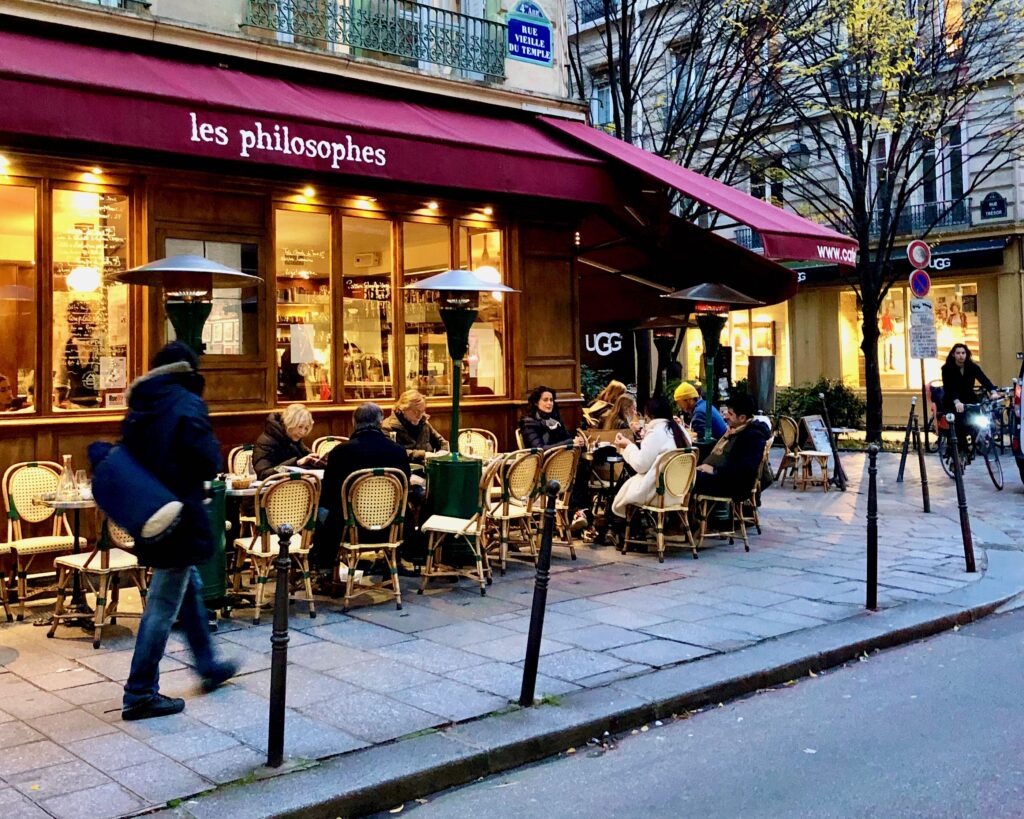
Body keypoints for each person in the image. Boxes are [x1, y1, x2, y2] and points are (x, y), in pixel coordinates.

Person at [120, 341, 236, 721]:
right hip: (180, 515)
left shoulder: (141, 405)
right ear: (188, 369)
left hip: (150, 511)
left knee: (189, 590)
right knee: (163, 604)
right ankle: (140, 692)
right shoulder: (186, 403)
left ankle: (208, 665)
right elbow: (208, 460)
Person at [311, 402, 414, 580]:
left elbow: (329, 493)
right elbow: (405, 487)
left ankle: (324, 566)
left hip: (348, 528)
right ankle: (393, 560)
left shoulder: (341, 452)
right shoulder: (398, 451)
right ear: (380, 422)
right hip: (390, 528)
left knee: (322, 510)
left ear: (354, 422)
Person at [609, 397, 691, 528]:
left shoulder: (656, 433)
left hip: (660, 492)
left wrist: (628, 446)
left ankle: (622, 527)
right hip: (680, 492)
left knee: (627, 481)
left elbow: (640, 465)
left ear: (649, 415)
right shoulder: (681, 431)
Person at [519, 386, 590, 530]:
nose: (549, 403)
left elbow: (566, 439)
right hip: (541, 468)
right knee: (578, 471)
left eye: (551, 400)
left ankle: (578, 513)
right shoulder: (529, 423)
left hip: (560, 466)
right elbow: (540, 449)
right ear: (536, 403)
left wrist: (577, 442)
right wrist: (570, 443)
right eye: (545, 400)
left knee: (583, 467)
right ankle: (576, 513)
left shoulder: (555, 421)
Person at [693, 393, 771, 501]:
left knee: (687, 479)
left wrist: (714, 470)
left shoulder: (753, 436)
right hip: (726, 478)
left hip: (733, 485)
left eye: (730, 414)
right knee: (688, 474)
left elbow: (743, 470)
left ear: (742, 417)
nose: (725, 417)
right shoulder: (739, 430)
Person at [940, 343, 998, 449]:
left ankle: (977, 440)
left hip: (969, 398)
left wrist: (992, 391)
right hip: (952, 400)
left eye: (963, 353)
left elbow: (983, 379)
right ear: (953, 354)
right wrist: (956, 401)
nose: (961, 355)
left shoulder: (972, 367)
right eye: (958, 353)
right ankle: (961, 449)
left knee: (977, 418)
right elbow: (949, 387)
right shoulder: (947, 368)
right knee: (959, 423)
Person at [252, 403, 321, 479]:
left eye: (306, 428)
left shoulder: (294, 440)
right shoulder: (266, 442)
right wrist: (295, 463)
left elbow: (307, 458)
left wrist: (318, 461)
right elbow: (264, 474)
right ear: (289, 423)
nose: (302, 432)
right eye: (300, 427)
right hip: (272, 489)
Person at [382, 390, 448, 464]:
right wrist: (423, 455)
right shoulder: (387, 427)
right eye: (416, 411)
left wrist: (443, 453)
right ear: (403, 409)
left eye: (422, 411)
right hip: (405, 471)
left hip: (427, 469)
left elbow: (442, 442)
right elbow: (392, 452)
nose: (419, 415)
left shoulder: (424, 422)